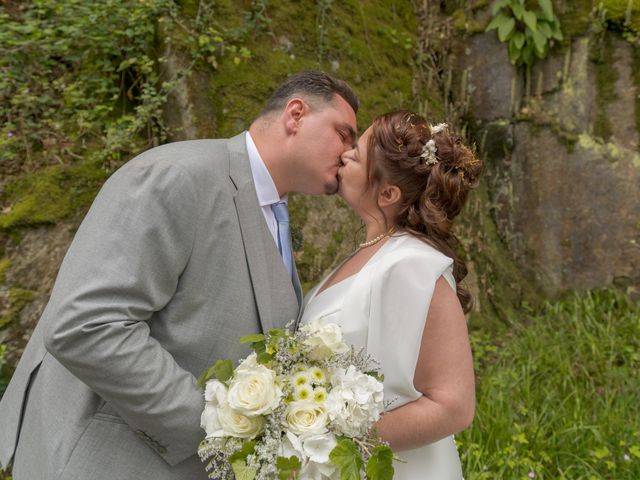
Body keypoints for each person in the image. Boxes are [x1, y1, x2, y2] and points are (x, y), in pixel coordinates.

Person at [0, 71, 358, 480]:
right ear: (296, 115)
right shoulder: (178, 176)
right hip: (106, 460)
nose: (349, 154)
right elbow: (88, 325)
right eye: (344, 135)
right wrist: (220, 428)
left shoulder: (274, 212)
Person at [300, 111, 480, 478]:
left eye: (359, 153)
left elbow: (454, 406)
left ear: (388, 193)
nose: (346, 153)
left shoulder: (412, 263)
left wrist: (335, 442)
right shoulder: (367, 255)